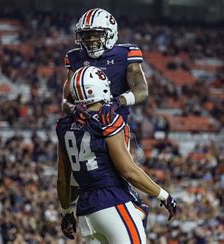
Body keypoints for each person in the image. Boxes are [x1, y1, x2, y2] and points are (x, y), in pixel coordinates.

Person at [56, 66, 177, 243]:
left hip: (85, 212)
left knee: (140, 209)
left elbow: (63, 179)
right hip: (111, 202)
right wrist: (163, 195)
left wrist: (66, 212)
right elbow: (127, 170)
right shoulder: (107, 120)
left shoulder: (65, 125)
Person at [61, 7, 151, 227]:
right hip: (84, 130)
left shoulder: (125, 54)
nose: (90, 40)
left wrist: (118, 101)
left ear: (110, 33)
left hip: (114, 129)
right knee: (75, 178)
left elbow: (141, 90)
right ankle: (69, 212)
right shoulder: (74, 58)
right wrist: (75, 110)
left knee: (119, 175)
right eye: (86, 35)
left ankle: (136, 204)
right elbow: (65, 100)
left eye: (96, 34)